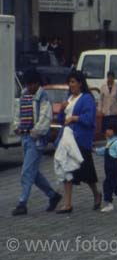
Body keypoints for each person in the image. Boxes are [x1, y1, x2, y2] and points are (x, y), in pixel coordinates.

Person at [11, 69, 63, 216]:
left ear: (36, 83)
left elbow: (45, 119)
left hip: (36, 139)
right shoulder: (24, 95)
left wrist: (35, 132)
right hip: (25, 137)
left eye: (30, 84)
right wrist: (17, 126)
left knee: (26, 171)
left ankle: (22, 202)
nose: (28, 87)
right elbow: (18, 111)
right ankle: (53, 195)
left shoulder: (43, 97)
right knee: (33, 172)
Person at [55, 70, 101, 213]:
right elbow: (61, 121)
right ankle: (68, 203)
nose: (71, 85)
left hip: (80, 140)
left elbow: (89, 119)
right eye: (69, 82)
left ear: (80, 83)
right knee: (66, 169)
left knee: (86, 172)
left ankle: (96, 193)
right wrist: (62, 110)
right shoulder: (69, 98)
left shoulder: (86, 98)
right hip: (67, 140)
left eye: (73, 82)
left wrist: (75, 118)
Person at [98, 71, 117, 136]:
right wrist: (100, 110)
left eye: (112, 77)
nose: (110, 79)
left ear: (113, 78)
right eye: (109, 77)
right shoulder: (103, 86)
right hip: (106, 112)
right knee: (106, 130)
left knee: (114, 129)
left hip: (114, 112)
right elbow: (100, 99)